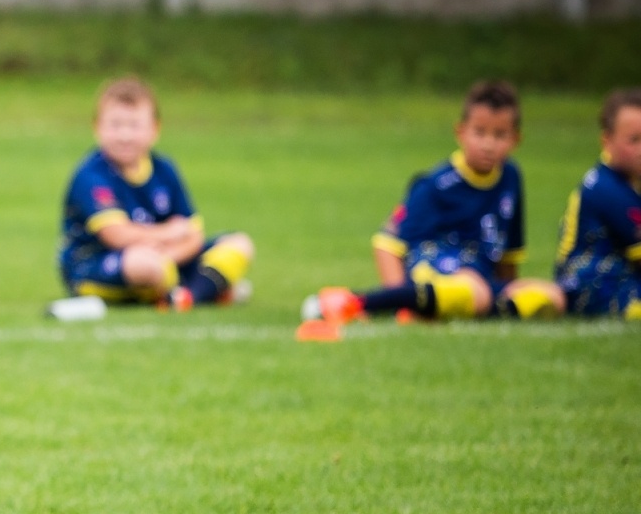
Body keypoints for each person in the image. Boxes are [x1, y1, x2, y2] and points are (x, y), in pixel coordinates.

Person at [301, 80, 564, 329]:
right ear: (460, 132)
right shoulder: (436, 184)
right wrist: (401, 301)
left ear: (515, 139)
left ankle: (450, 310)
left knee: (553, 297)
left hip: (481, 280)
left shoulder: (511, 178)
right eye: (480, 132)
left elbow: (509, 256)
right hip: (435, 269)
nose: (488, 144)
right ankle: (356, 302)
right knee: (475, 290)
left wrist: (507, 289)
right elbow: (387, 243)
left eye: (499, 135)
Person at [58, 77, 254, 311]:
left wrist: (168, 255)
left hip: (166, 258)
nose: (125, 135)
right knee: (145, 264)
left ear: (155, 129)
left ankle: (187, 296)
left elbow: (193, 235)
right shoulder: (91, 175)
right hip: (99, 264)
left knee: (240, 244)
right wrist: (167, 233)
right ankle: (207, 287)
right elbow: (116, 235)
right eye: (115, 125)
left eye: (134, 125)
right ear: (97, 128)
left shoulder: (165, 170)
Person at [553, 87, 641, 319]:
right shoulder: (607, 188)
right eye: (634, 140)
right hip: (590, 286)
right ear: (607, 140)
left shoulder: (628, 182)